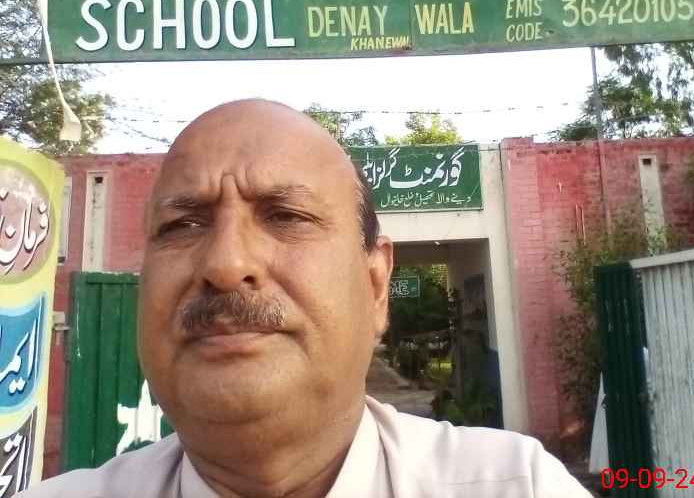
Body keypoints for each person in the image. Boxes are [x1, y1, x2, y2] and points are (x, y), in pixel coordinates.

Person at [21, 100, 591, 497]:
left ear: (375, 286)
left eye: (286, 216)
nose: (226, 264)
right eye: (183, 225)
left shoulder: (517, 486)